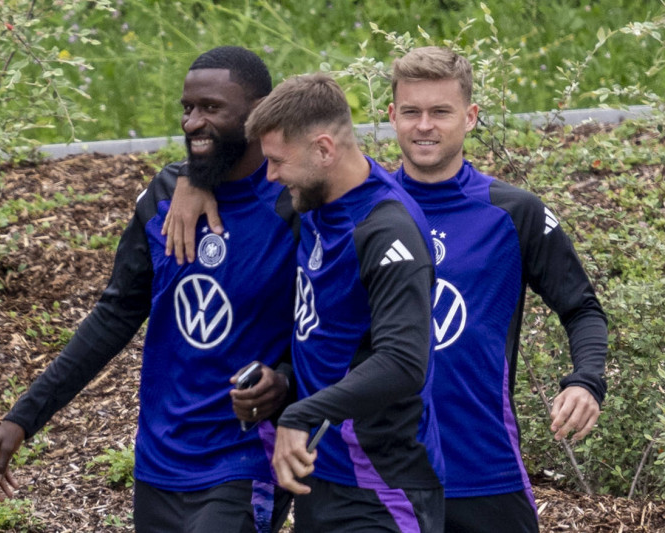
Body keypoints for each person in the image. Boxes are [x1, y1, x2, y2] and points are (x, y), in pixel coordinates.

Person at [0, 46, 300, 533]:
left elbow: (333, 324)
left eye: (212, 108)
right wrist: (24, 417)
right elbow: (114, 316)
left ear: (260, 112)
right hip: (159, 463)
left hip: (245, 461)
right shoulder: (164, 200)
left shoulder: (297, 206)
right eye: (188, 109)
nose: (192, 123)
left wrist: (287, 378)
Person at [387, 46, 608, 533]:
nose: (424, 125)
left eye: (440, 112)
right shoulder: (361, 208)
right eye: (411, 112)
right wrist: (187, 183)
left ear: (469, 117)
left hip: (484, 469)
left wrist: (586, 379)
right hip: (380, 476)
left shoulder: (513, 212)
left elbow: (582, 308)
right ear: (392, 117)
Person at [246, 73, 444, 532]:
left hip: (382, 489)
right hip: (322, 476)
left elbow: (403, 361)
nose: (270, 176)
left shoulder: (385, 230)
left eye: (277, 161)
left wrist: (301, 413)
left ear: (324, 150)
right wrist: (283, 381)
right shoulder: (315, 202)